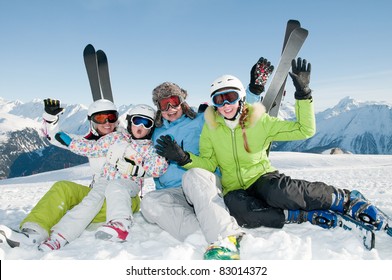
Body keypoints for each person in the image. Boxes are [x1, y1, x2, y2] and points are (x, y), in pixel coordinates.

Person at [154, 57, 388, 251]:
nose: (226, 105)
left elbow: (304, 129)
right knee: (240, 212)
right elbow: (209, 162)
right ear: (214, 104)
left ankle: (344, 199)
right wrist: (185, 159)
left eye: (231, 97)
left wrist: (303, 94)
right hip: (234, 187)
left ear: (241, 98)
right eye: (219, 100)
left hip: (260, 177)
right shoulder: (211, 130)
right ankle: (300, 216)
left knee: (280, 192)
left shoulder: (260, 121)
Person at [139, 59, 274, 260]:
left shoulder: (202, 119)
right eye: (163, 104)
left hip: (203, 183)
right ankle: (205, 237)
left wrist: (254, 89)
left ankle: (227, 237)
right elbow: (133, 138)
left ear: (182, 101)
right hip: (176, 193)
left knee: (192, 175)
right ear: (158, 107)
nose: (170, 108)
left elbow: (233, 112)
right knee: (149, 202)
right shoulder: (156, 133)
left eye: (173, 102)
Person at [0, 99, 141, 248]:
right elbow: (57, 138)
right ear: (92, 121)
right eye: (100, 118)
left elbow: (148, 140)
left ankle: (62, 234)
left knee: (94, 201)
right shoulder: (89, 143)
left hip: (123, 198)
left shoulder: (130, 138)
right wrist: (50, 119)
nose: (107, 122)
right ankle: (33, 234)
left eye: (111, 117)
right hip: (97, 193)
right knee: (63, 188)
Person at [37, 104, 167, 251]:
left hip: (128, 183)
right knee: (90, 202)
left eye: (146, 123)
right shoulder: (116, 137)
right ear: (130, 122)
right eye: (137, 121)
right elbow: (93, 149)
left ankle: (120, 224)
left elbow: (159, 167)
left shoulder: (149, 148)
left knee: (116, 187)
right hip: (105, 179)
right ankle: (59, 237)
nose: (140, 126)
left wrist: (136, 169)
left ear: (151, 128)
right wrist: (70, 141)